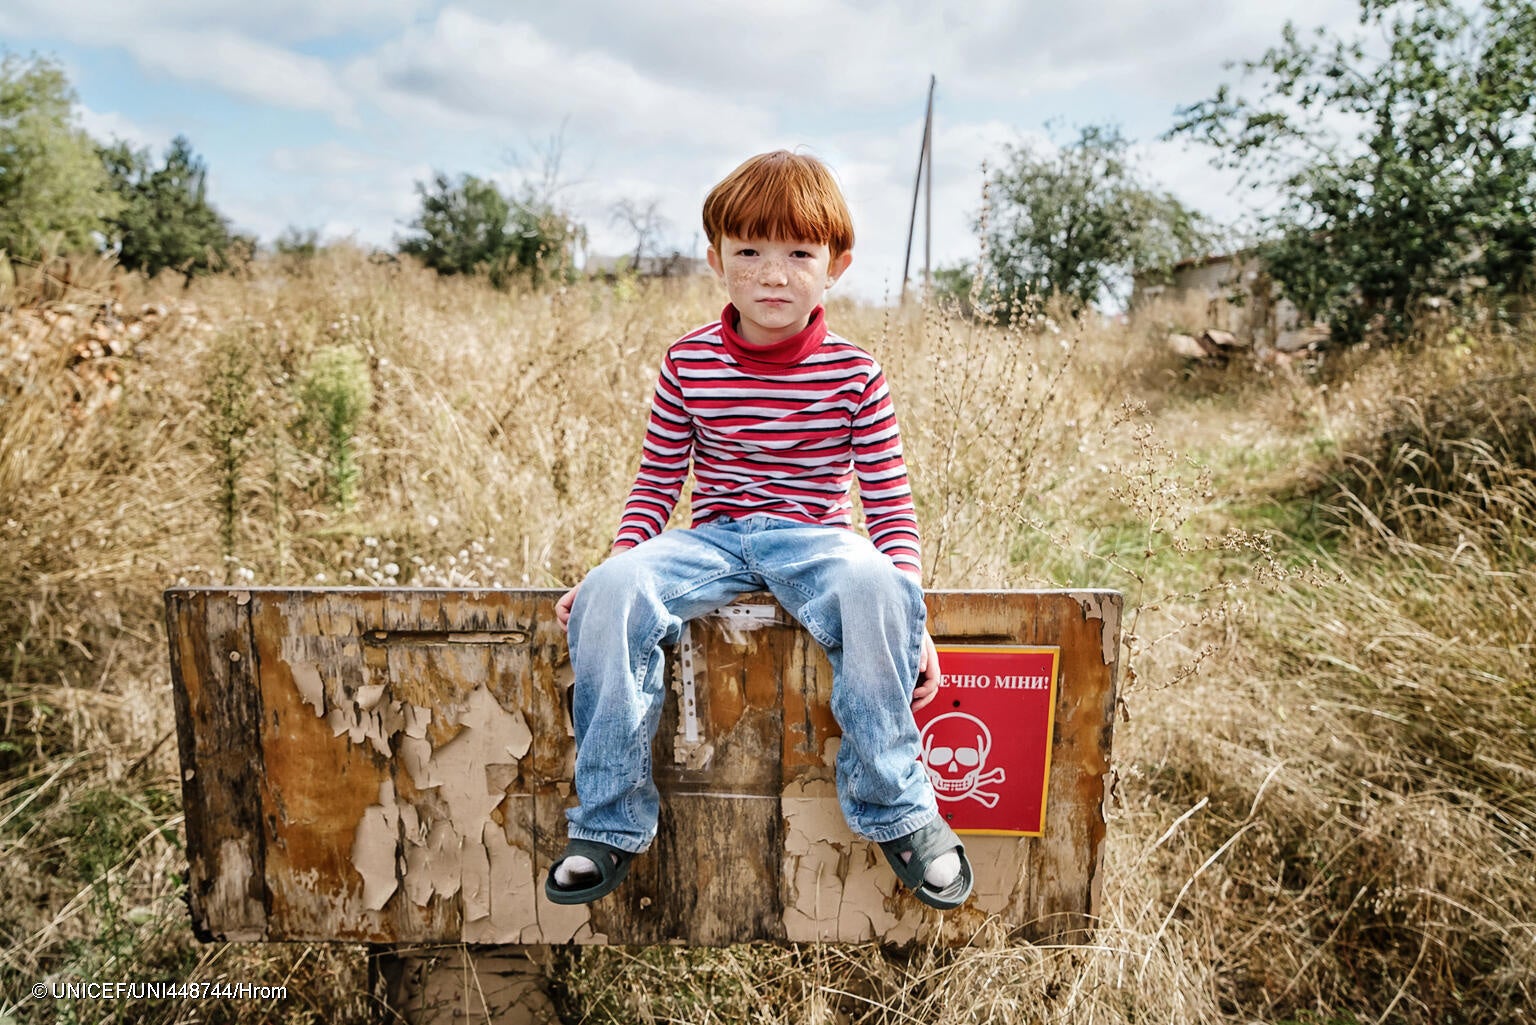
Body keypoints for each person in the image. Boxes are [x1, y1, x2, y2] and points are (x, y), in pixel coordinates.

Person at [545, 149, 972, 911]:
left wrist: (910, 616)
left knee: (879, 583)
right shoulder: (688, 364)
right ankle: (609, 817)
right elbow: (656, 485)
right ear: (716, 260)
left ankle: (898, 806)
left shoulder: (855, 374)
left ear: (836, 264)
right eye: (750, 251)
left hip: (815, 541)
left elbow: (889, 507)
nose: (774, 274)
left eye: (798, 253)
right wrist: (619, 565)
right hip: (712, 537)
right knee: (612, 588)